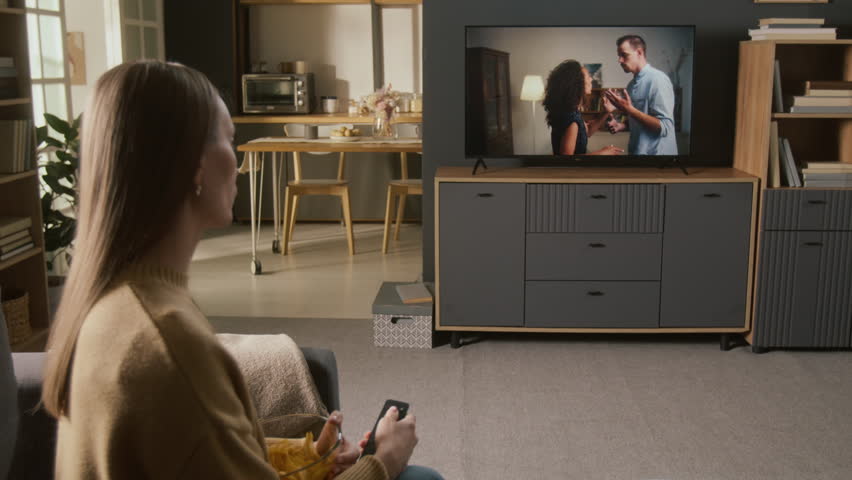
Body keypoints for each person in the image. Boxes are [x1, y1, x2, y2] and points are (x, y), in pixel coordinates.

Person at [41, 60, 440, 480]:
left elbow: (195, 450)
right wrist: (383, 462)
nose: (237, 163)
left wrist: (306, 455)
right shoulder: (168, 344)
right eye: (230, 141)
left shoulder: (122, 299)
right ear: (194, 165)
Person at [604, 35, 678, 155]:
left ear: (639, 52)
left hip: (658, 161)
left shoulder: (658, 80)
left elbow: (665, 128)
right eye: (619, 56)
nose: (620, 60)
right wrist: (622, 125)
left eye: (624, 55)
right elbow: (640, 118)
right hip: (637, 155)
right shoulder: (631, 85)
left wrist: (630, 110)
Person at [543, 59, 623, 156]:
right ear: (576, 83)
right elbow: (566, 160)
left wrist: (606, 112)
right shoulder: (571, 119)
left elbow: (587, 131)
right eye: (588, 76)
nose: (591, 79)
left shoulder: (572, 112)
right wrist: (602, 153)